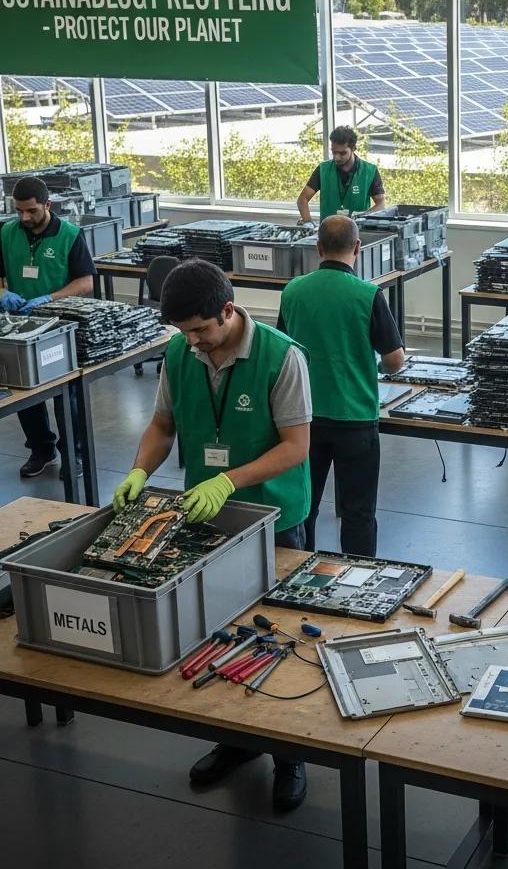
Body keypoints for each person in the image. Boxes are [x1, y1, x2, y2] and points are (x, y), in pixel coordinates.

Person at [111, 259, 313, 812]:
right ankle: (236, 740)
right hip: (208, 516)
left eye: (201, 329)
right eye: (184, 333)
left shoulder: (281, 357)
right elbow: (162, 425)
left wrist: (229, 479)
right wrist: (138, 471)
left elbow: (296, 446)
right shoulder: (181, 354)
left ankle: (289, 754)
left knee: (279, 639)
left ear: (229, 310)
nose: (195, 342)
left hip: (275, 515)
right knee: (219, 629)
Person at [279, 215, 405, 555]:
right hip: (356, 420)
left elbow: (282, 351)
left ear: (318, 249)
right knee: (358, 513)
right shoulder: (368, 294)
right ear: (358, 249)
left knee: (305, 507)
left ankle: (298, 579)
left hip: (303, 419)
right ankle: (359, 584)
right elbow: (394, 361)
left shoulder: (292, 291)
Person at [0, 175, 94, 477]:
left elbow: (85, 282)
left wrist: (48, 298)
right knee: (26, 390)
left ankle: (74, 455)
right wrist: (3, 293)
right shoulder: (6, 233)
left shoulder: (69, 235)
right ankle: (42, 449)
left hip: (61, 325)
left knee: (67, 394)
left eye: (32, 211)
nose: (25, 217)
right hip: (21, 325)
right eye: (20, 211)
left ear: (47, 205)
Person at [296, 125, 387, 226]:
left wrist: (362, 216)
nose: (337, 157)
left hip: (358, 233)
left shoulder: (370, 171)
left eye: (342, 153)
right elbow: (302, 199)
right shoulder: (323, 169)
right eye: (334, 152)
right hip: (328, 234)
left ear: (353, 148)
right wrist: (308, 223)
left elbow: (381, 205)